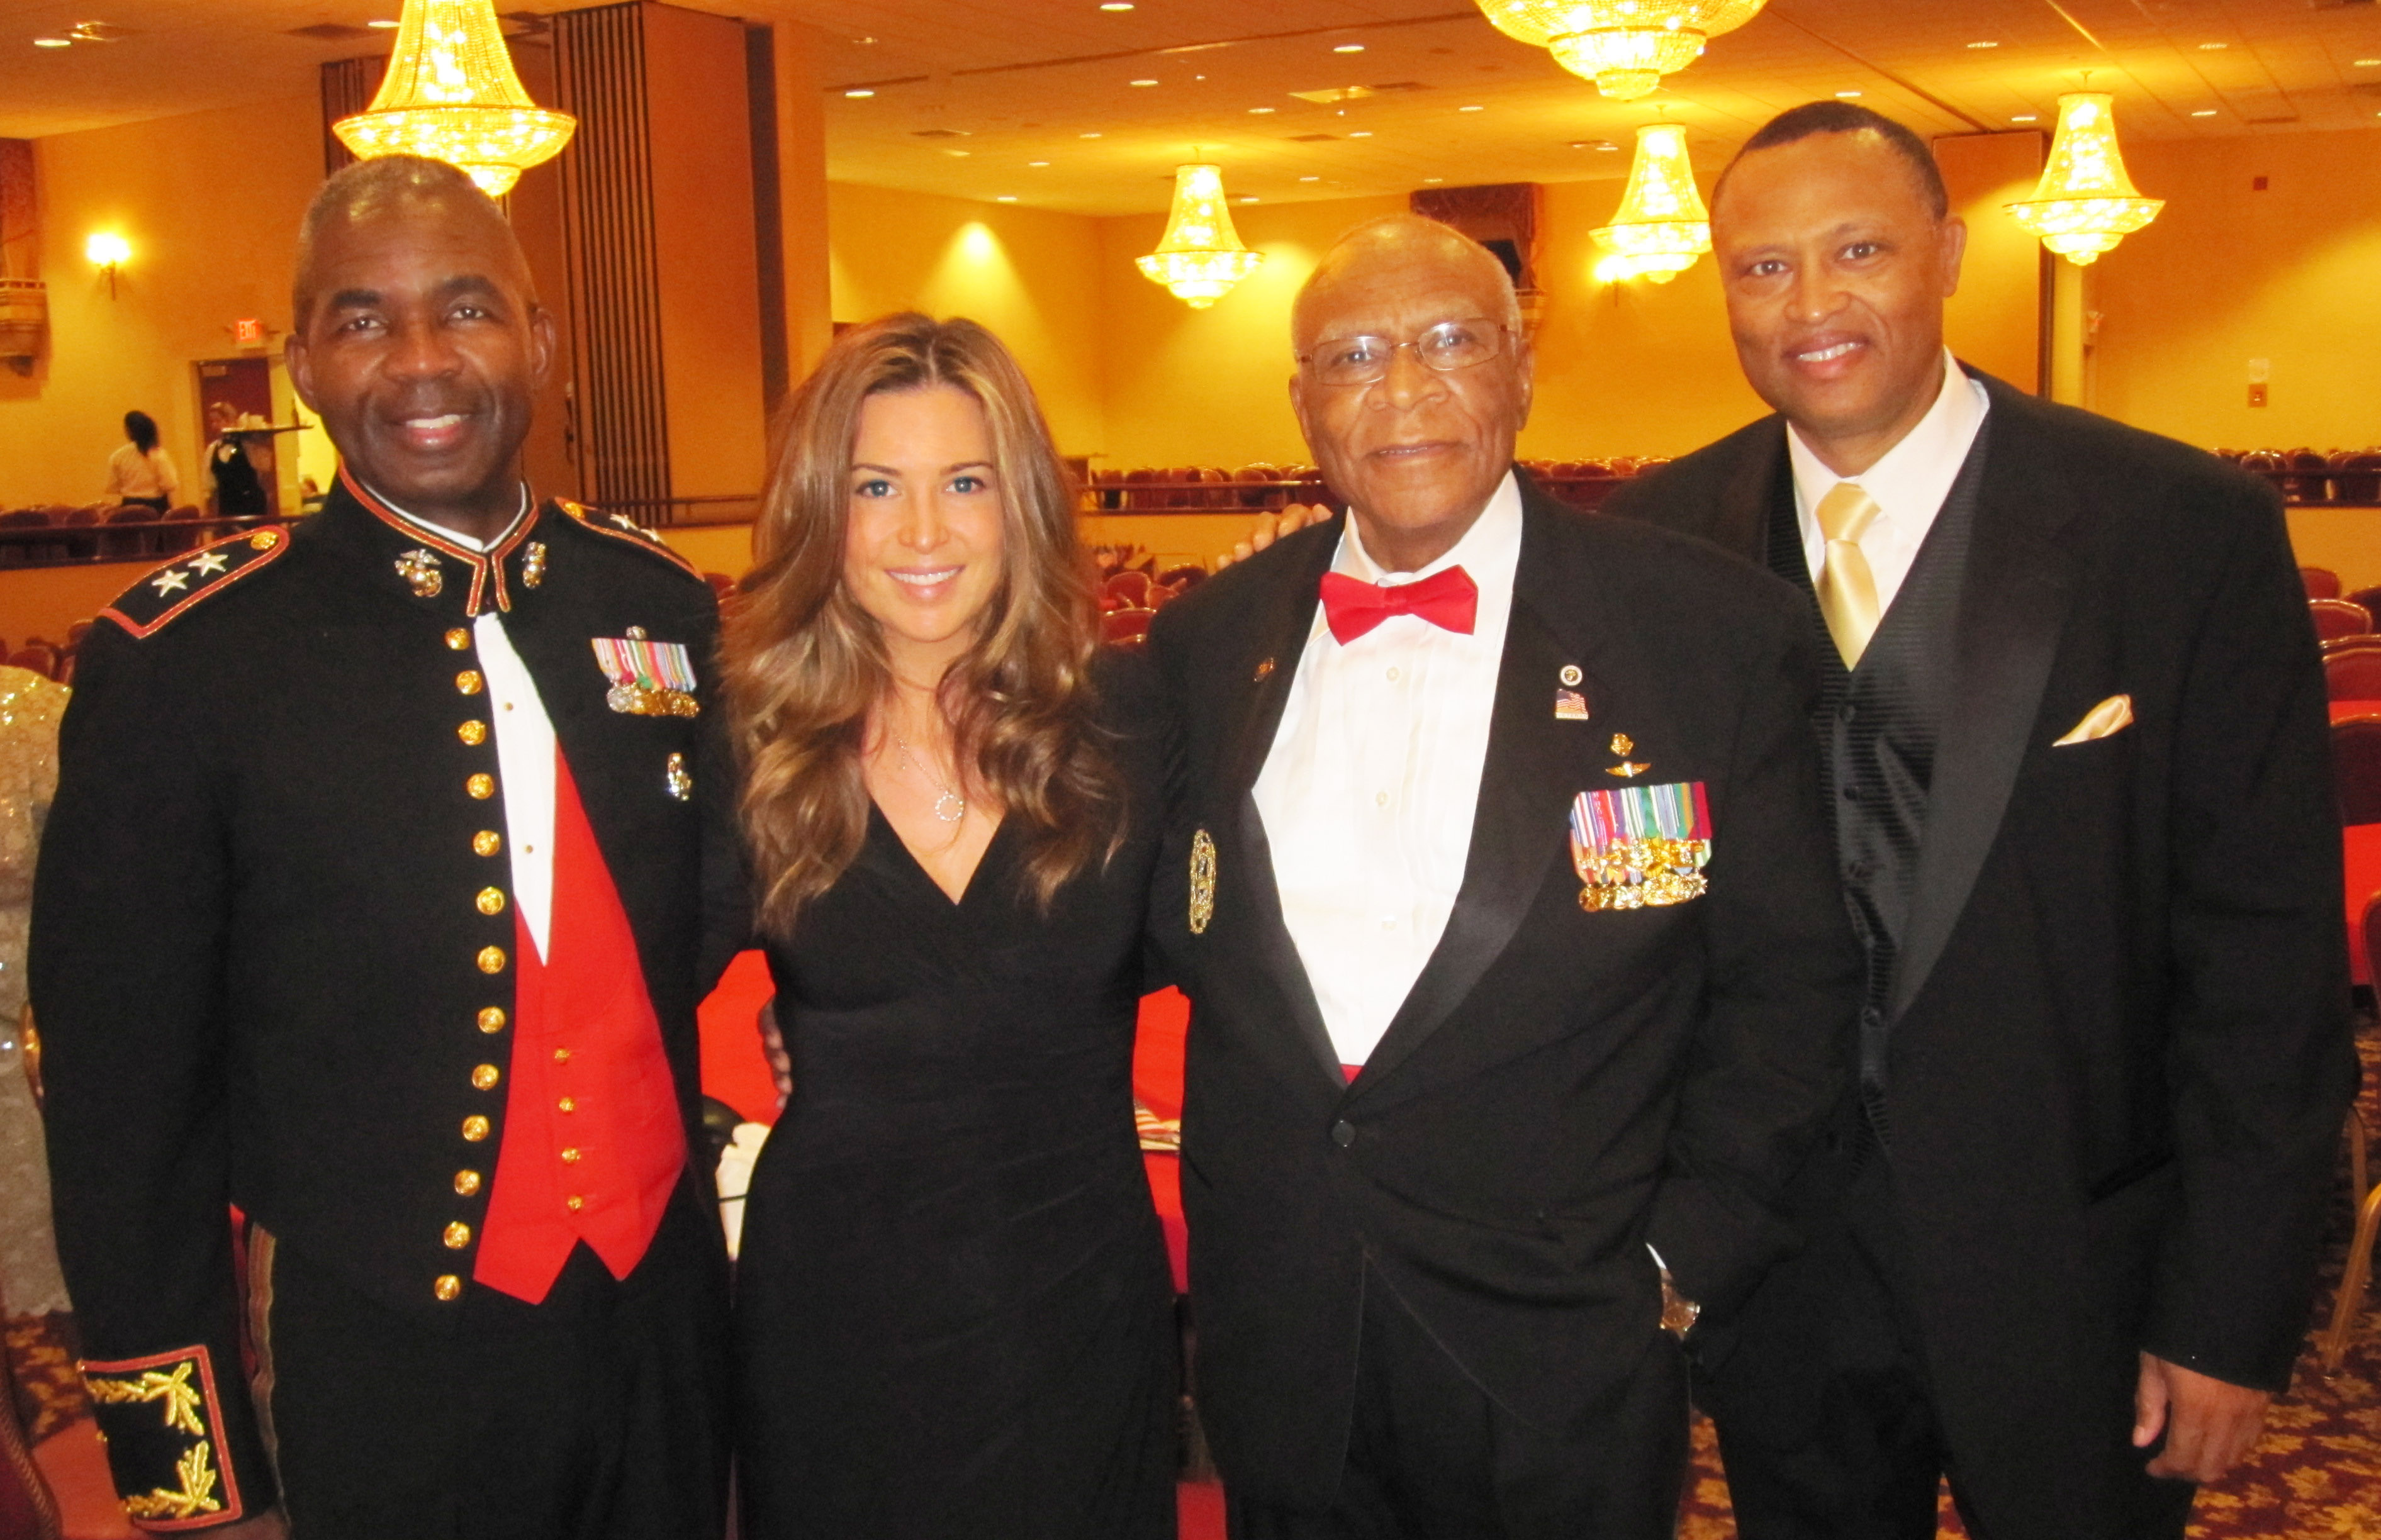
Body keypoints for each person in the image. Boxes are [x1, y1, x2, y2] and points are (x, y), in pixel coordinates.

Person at [1598, 101, 2353, 1540]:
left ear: (1945, 253)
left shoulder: (2174, 529)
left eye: (1857, 250)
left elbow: (2263, 967)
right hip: (1777, 1280)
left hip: (2085, 1270)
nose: (1807, 304)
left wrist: (2227, 1309)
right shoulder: (1650, 542)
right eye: (1759, 269)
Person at [32, 154, 735, 1538]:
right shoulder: (186, 663)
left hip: (661, 1322)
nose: (420, 362)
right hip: (382, 1361)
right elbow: (121, 1113)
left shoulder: (656, 605)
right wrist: (193, 1475)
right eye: (362, 320)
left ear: (537, 339)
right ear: (300, 364)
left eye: (466, 309)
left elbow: (727, 913)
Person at [1144, 213, 1861, 1539]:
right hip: (1285, 1334)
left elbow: (1789, 988)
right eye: (1353, 354)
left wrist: (1675, 1261)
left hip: (1563, 1345)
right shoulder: (1205, 641)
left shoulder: (1706, 632)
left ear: (1521, 371)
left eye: (1450, 343)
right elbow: (1112, 916)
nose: (1403, 388)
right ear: (1303, 405)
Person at [724, 312, 1177, 1539]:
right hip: (836, 1315)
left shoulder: (1133, 724)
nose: (922, 533)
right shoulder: (750, 745)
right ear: (826, 510)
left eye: (963, 483)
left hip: (1075, 1298)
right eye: (877, 487)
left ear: (1019, 504)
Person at [203, 401, 271, 518]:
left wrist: (259, 441)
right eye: (212, 422)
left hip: (252, 507)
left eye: (218, 421)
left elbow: (264, 468)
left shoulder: (247, 445)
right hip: (227, 508)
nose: (214, 426)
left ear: (231, 420)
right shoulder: (212, 449)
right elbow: (209, 484)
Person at [103, 410, 177, 511]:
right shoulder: (158, 454)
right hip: (157, 506)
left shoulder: (118, 456)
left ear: (128, 431)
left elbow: (112, 487)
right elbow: (170, 484)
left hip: (130, 506)